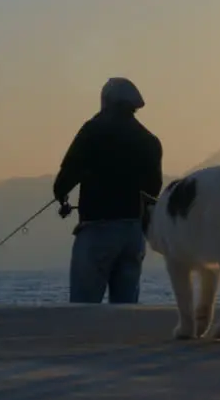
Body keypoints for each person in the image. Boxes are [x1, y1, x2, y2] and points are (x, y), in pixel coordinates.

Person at [53, 77, 163, 304]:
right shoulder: (150, 140)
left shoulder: (93, 130)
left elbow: (66, 176)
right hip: (133, 234)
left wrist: (61, 196)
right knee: (125, 311)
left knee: (83, 309)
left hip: (97, 230)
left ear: (107, 101)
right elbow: (154, 189)